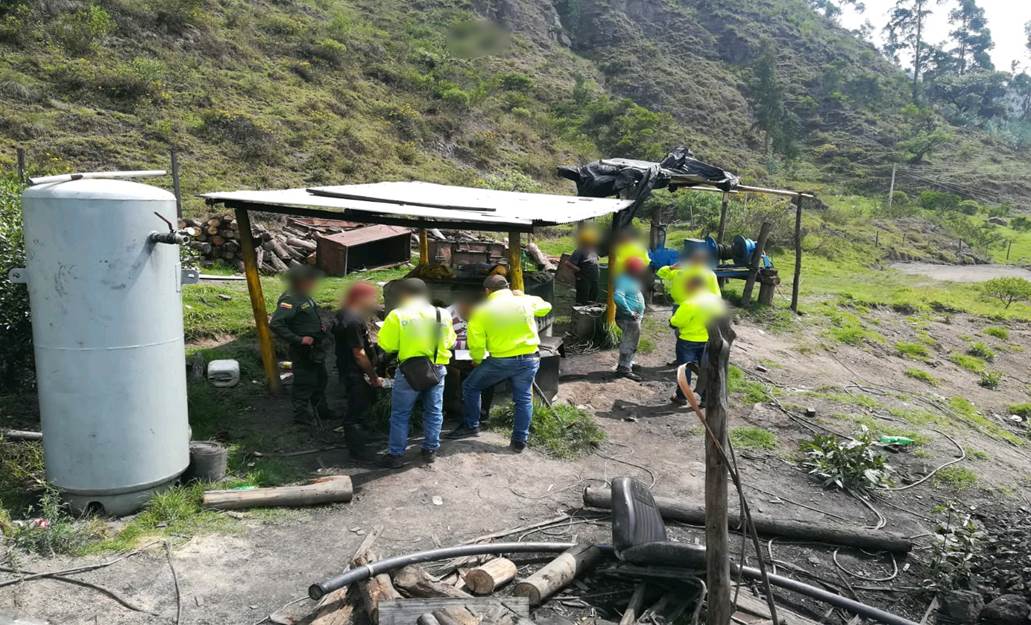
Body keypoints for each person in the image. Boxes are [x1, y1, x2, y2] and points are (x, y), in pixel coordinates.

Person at [446, 275, 552, 452]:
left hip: (500, 361)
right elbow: (546, 307)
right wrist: (523, 295)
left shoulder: (481, 311)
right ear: (508, 287)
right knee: (524, 399)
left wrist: (477, 360)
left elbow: (476, 343)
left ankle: (471, 425)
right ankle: (519, 440)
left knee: (470, 386)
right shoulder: (525, 302)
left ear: (487, 291)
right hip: (530, 358)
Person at [378, 278, 456, 468]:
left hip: (409, 372)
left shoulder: (397, 315)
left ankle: (396, 455)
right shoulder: (442, 314)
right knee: (434, 411)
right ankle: (430, 450)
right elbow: (450, 342)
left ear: (405, 294)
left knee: (400, 414)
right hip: (436, 370)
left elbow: (387, 345)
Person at [270, 265, 334, 426]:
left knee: (321, 379)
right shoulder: (290, 299)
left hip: (315, 347)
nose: (314, 283)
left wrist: (319, 326)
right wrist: (298, 339)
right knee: (304, 382)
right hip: (303, 350)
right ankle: (301, 415)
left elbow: (308, 315)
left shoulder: (304, 296)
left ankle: (321, 410)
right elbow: (276, 324)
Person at [332, 281, 381, 459]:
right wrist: (373, 376)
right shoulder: (352, 321)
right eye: (371, 297)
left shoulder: (344, 314)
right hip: (354, 371)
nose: (374, 301)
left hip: (348, 368)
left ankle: (363, 438)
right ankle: (357, 452)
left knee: (363, 405)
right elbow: (359, 354)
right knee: (355, 411)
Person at [669, 275, 726, 407]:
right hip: (709, 340)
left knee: (684, 368)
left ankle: (681, 396)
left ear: (692, 286)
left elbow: (678, 321)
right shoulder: (715, 301)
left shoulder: (689, 302)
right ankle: (706, 398)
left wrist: (671, 321)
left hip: (688, 340)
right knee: (705, 369)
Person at [443, 293, 494, 423]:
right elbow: (446, 341)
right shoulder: (447, 315)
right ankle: (457, 411)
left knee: (486, 379)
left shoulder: (484, 313)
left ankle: (483, 413)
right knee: (456, 377)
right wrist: (470, 345)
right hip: (456, 356)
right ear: (462, 305)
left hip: (479, 353)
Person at [613, 256, 646, 382]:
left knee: (632, 341)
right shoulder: (624, 280)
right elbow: (618, 297)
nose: (641, 271)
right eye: (640, 269)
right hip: (628, 318)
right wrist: (629, 312)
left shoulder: (631, 279)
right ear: (633, 270)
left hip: (633, 318)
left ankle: (628, 362)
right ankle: (624, 368)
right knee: (630, 342)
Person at [564, 228, 600, 304]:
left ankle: (591, 309)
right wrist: (578, 269)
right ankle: (581, 310)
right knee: (583, 299)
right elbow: (568, 263)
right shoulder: (580, 251)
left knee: (593, 298)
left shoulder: (593, 250)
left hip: (594, 279)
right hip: (583, 279)